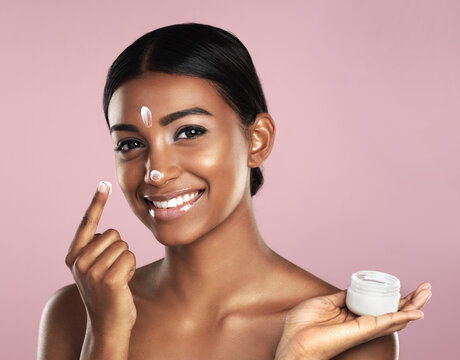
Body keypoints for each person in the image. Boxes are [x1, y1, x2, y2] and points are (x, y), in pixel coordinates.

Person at [37, 23, 431, 360]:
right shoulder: (75, 313)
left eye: (189, 132)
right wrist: (106, 336)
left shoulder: (349, 339)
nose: (156, 172)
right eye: (130, 144)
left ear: (257, 140)